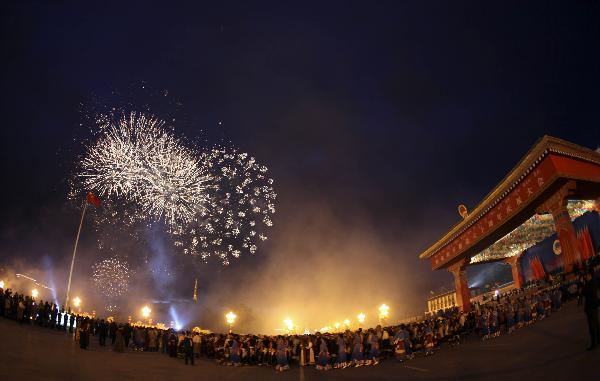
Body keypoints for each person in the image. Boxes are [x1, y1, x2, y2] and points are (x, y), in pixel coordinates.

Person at [581, 269, 600, 350]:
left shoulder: (589, 284)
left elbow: (583, 293)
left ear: (590, 275)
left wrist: (583, 284)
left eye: (586, 275)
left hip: (591, 307)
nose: (585, 277)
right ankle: (598, 340)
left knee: (592, 326)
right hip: (594, 306)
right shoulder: (593, 283)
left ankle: (594, 343)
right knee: (596, 324)